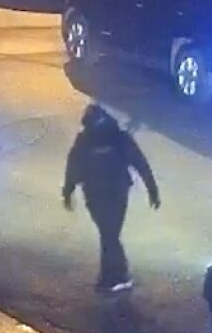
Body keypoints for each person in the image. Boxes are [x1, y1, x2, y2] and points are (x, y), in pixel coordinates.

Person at [62, 105, 160, 292]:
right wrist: (68, 190)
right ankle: (116, 275)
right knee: (108, 234)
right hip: (97, 194)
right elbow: (74, 165)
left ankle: (113, 276)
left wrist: (152, 190)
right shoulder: (88, 140)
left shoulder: (117, 139)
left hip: (114, 193)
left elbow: (140, 163)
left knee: (108, 234)